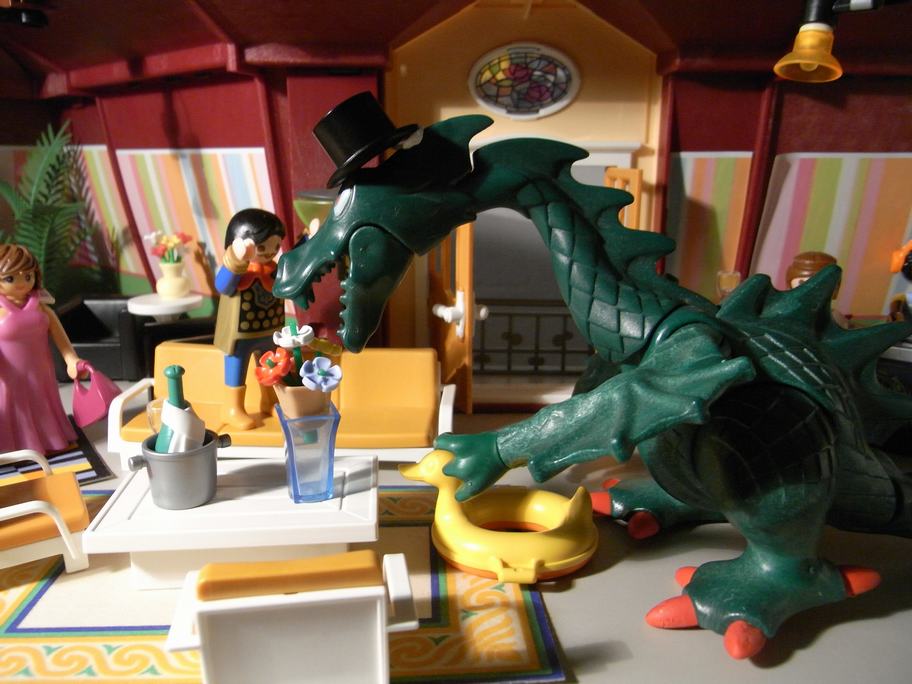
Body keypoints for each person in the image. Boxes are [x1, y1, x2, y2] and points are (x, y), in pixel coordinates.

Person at [0, 244, 86, 453]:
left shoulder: (42, 309)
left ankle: (50, 440)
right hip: (8, 375)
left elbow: (62, 340)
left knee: (42, 403)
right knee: (12, 407)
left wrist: (71, 360)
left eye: (27, 276)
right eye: (10, 278)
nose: (22, 283)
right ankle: (13, 447)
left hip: (41, 372)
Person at [213, 208, 286, 429]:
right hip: (240, 333)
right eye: (262, 247)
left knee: (271, 366)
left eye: (275, 246)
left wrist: (308, 241)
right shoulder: (237, 271)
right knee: (236, 369)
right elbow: (222, 285)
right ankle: (232, 408)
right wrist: (236, 260)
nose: (270, 252)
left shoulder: (273, 269)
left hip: (269, 328)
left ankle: (270, 401)